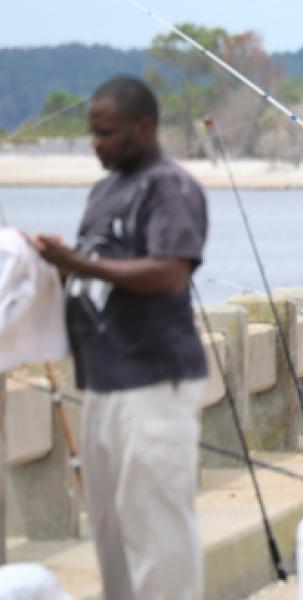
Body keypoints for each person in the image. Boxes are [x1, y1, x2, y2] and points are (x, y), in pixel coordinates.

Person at [25, 76, 208, 599]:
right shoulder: (103, 192)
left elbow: (170, 273)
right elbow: (95, 272)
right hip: (100, 383)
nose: (95, 143)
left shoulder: (169, 187)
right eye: (92, 132)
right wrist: (51, 265)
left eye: (106, 133)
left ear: (143, 127)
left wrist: (80, 263)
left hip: (153, 384)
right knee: (112, 539)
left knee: (158, 538)